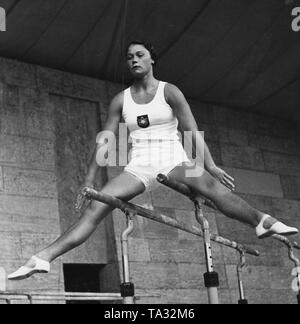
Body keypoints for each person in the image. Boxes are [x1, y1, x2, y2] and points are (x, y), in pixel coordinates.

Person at [8, 40, 298, 280]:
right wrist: (89, 180)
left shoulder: (169, 91)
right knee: (97, 207)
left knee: (210, 185)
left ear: (151, 60)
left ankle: (262, 221)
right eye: (129, 57)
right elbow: (105, 141)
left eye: (140, 55)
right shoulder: (121, 101)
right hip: (139, 165)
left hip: (174, 156)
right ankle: (42, 257)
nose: (134, 60)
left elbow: (191, 131)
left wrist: (209, 164)